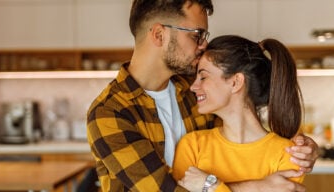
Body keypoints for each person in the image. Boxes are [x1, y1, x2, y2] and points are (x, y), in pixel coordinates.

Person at [86, 0, 319, 191]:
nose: (204, 44)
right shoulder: (110, 112)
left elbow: (243, 139)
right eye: (197, 35)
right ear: (159, 35)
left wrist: (301, 148)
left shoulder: (193, 93)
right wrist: (255, 187)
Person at [172, 35, 306, 192]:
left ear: (235, 82)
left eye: (203, 76)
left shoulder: (288, 153)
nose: (193, 87)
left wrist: (211, 186)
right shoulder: (192, 145)